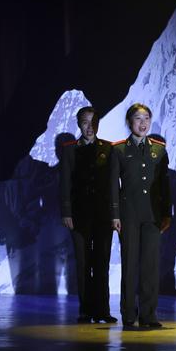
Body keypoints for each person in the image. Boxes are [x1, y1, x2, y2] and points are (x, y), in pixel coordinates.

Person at [110, 103, 171, 330]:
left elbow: (164, 186)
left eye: (146, 118)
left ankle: (148, 315)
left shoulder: (159, 150)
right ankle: (128, 314)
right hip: (128, 215)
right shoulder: (118, 150)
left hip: (153, 215)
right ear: (129, 122)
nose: (143, 123)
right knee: (129, 264)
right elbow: (113, 186)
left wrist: (167, 214)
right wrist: (115, 214)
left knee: (150, 266)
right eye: (138, 118)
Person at [59, 107, 116, 324]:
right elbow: (65, 184)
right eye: (85, 122)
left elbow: (113, 185)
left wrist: (115, 214)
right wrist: (66, 212)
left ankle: (103, 310)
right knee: (83, 264)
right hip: (79, 215)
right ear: (79, 124)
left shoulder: (108, 149)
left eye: (93, 122)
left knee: (102, 263)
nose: (89, 127)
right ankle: (85, 310)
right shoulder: (70, 150)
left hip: (103, 216)